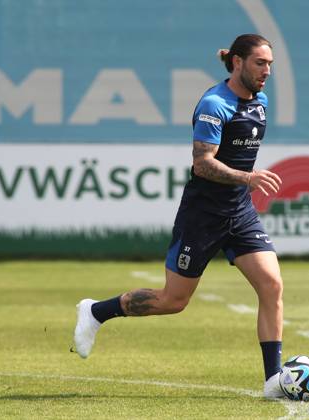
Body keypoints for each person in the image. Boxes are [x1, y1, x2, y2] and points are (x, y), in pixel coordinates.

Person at [73, 34, 286, 398]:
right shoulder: (214, 104)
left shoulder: (261, 101)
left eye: (270, 64)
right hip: (202, 217)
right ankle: (96, 312)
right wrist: (247, 177)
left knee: (272, 285)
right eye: (259, 63)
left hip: (240, 213)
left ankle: (273, 380)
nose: (267, 71)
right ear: (237, 63)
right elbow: (202, 164)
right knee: (174, 301)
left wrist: (243, 184)